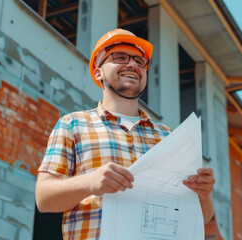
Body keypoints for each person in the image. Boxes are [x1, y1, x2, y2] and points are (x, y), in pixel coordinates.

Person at [35, 29, 216, 239]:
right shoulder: (72, 125)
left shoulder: (169, 137)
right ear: (97, 72)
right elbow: (43, 198)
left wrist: (204, 195)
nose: (133, 65)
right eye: (120, 57)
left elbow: (201, 217)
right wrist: (89, 182)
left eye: (140, 61)